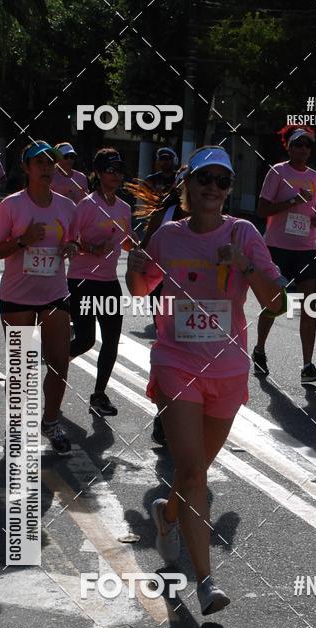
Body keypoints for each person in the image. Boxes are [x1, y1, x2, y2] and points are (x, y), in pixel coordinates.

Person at [126, 146, 286, 615]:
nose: (213, 188)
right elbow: (142, 292)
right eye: (204, 179)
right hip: (176, 361)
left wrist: (246, 266)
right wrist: (135, 273)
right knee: (193, 470)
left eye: (222, 181)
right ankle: (205, 583)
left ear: (229, 190)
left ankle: (168, 513)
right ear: (188, 186)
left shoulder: (244, 234)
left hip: (228, 370)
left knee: (195, 472)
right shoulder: (167, 236)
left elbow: (277, 305)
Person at [0, 140, 78, 454]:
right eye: (39, 162)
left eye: (50, 162)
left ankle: (50, 421)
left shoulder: (67, 206)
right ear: (26, 168)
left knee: (59, 363)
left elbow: (72, 241)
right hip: (18, 297)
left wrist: (71, 247)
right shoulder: (12, 205)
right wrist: (22, 241)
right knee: (22, 369)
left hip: (54, 293)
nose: (47, 168)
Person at [253, 125, 316, 384]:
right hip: (278, 247)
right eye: (298, 144)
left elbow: (311, 210)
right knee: (274, 303)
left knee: (310, 305)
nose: (303, 149)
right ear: (289, 147)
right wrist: (292, 202)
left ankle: (307, 366)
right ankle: (260, 349)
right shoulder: (277, 172)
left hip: (306, 248)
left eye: (307, 145)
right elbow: (262, 210)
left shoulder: (315, 177)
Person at [124, 168, 188, 445]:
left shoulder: (220, 219)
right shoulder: (166, 214)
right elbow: (148, 250)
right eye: (190, 181)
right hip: (166, 292)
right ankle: (164, 415)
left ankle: (192, 412)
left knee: (195, 356)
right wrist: (138, 263)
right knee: (172, 351)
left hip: (202, 300)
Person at [68, 147, 134, 417]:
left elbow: (126, 240)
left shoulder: (125, 208)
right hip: (82, 281)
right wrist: (92, 248)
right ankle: (51, 362)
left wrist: (143, 249)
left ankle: (99, 395)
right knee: (85, 340)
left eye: (120, 169)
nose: (117, 175)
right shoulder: (85, 206)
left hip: (109, 282)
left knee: (111, 340)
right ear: (98, 173)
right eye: (111, 169)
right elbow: (69, 242)